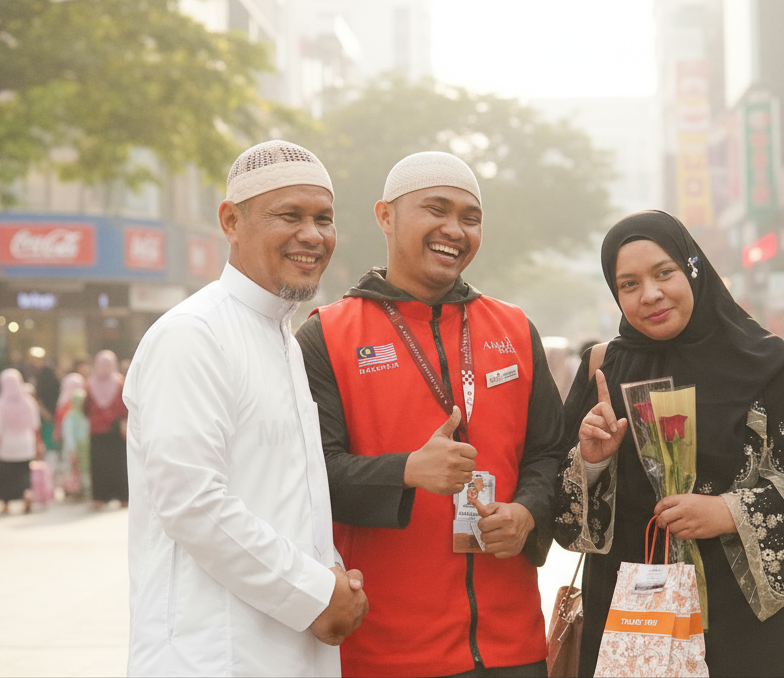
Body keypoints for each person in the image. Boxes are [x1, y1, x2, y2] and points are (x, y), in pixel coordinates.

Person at [553, 210, 784, 676]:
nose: (650, 294)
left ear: (693, 269)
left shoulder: (768, 366)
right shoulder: (605, 370)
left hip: (745, 626)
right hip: (634, 622)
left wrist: (728, 512)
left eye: (664, 273)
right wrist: (591, 463)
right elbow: (561, 506)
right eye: (629, 284)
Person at [297, 151, 565, 677]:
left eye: (470, 217)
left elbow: (551, 451)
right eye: (436, 210)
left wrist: (528, 511)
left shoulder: (514, 328)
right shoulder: (326, 335)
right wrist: (407, 471)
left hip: (513, 647)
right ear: (385, 216)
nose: (455, 230)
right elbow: (310, 476)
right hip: (386, 650)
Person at [124, 140, 367, 677]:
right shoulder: (192, 335)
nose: (313, 235)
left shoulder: (282, 339)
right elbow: (191, 501)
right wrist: (315, 594)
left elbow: (289, 498)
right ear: (231, 221)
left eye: (324, 219)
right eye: (290, 216)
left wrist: (334, 580)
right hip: (210, 655)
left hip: (285, 649)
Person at [0, 368, 42, 515]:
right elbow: (35, 426)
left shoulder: (0, 405)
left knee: (6, 475)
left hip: (7, 445)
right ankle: (26, 494)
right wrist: (38, 444)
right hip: (25, 443)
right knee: (23, 472)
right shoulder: (29, 402)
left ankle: (5, 504)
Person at [85, 350, 127, 510]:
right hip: (99, 432)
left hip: (114, 432)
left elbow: (126, 405)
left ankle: (122, 497)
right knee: (100, 466)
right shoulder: (90, 384)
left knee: (118, 465)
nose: (103, 368)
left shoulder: (120, 383)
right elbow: (86, 407)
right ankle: (100, 498)